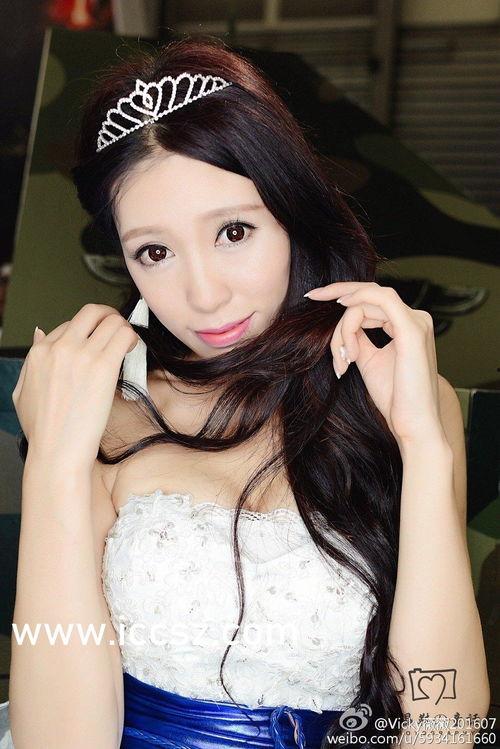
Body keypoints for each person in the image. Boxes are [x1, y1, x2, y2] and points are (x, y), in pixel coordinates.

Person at [1, 35, 489, 749]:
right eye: (155, 252)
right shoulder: (105, 414)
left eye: (233, 231)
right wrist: (52, 461)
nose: (204, 294)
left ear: (292, 211)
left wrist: (423, 444)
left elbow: (444, 726)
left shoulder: (403, 405)